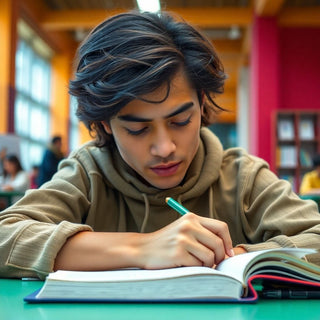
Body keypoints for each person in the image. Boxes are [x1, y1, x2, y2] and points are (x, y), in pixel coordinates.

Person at [0, 11, 320, 280]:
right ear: (104, 125)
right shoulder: (89, 171)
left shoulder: (241, 178)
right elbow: (6, 235)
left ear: (202, 103)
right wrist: (144, 248)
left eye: (180, 121)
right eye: (138, 129)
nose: (165, 148)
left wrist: (233, 257)